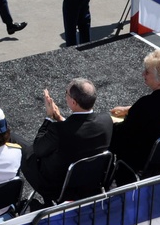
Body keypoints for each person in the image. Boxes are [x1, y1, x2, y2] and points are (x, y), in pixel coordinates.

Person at [19, 78, 112, 206]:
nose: (65, 96)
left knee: (20, 146)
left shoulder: (59, 131)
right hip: (90, 182)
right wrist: (60, 119)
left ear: (73, 102)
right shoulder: (106, 120)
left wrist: (49, 118)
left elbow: (39, 148)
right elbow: (79, 132)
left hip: (59, 187)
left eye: (66, 93)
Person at [109, 50, 160, 182]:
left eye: (147, 72)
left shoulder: (145, 105)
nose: (143, 74)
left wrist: (109, 123)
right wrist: (128, 109)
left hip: (145, 159)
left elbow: (123, 133)